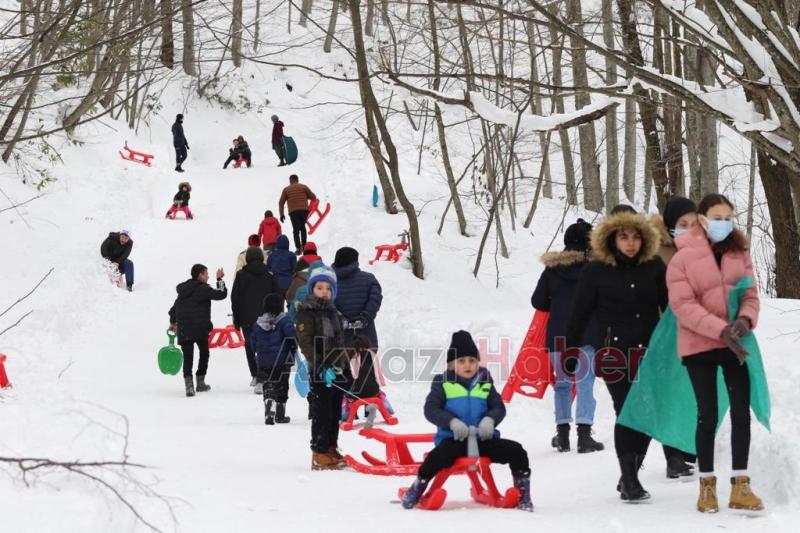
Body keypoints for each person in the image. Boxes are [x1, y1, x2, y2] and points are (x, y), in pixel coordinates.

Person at [667, 193, 763, 513]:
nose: (723, 223)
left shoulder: (740, 253)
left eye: (728, 217)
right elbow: (683, 305)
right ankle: (706, 486)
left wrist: (744, 321)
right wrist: (718, 329)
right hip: (700, 346)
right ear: (703, 219)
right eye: (717, 217)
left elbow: (750, 295)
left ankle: (741, 485)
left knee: (740, 412)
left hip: (735, 344)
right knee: (707, 414)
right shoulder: (683, 258)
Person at [566, 210, 667, 502]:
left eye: (636, 236)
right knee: (626, 412)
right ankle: (632, 480)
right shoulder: (595, 271)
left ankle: (628, 474)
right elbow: (579, 314)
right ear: (612, 238)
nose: (631, 243)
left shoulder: (654, 267)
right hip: (613, 353)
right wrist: (571, 351)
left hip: (649, 352)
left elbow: (671, 309)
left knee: (647, 415)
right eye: (624, 236)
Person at [401, 330, 533, 512]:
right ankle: (418, 487)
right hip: (455, 438)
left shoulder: (484, 381)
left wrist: (489, 419)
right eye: (461, 361)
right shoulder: (443, 382)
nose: (468, 365)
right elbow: (431, 409)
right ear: (451, 364)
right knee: (436, 458)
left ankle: (523, 494)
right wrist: (452, 422)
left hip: (483, 438)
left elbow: (498, 407)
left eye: (472, 360)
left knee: (517, 451)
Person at [531, 219, 603, 454]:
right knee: (584, 384)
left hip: (558, 337)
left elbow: (538, 301)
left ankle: (562, 436)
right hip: (586, 334)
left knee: (562, 385)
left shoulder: (552, 269)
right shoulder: (595, 269)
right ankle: (584, 437)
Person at [649, 196, 700, 477]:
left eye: (693, 222)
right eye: (682, 223)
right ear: (670, 225)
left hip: (696, 332)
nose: (688, 228)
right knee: (670, 393)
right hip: (665, 332)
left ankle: (688, 446)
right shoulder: (656, 253)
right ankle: (672, 456)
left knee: (692, 391)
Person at [296, 264, 351, 470]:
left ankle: (330, 447)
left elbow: (338, 342)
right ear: (312, 289)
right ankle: (319, 452)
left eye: (328, 289)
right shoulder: (306, 312)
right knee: (322, 412)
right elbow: (306, 343)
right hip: (319, 370)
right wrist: (319, 366)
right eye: (320, 288)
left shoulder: (333, 312)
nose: (324, 292)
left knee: (335, 410)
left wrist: (342, 365)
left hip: (335, 369)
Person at [168, 264, 227, 397]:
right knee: (204, 353)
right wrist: (219, 280)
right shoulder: (203, 289)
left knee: (188, 357)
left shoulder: (183, 291)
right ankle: (200, 382)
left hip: (184, 329)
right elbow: (221, 294)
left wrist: (173, 323)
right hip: (200, 328)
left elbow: (173, 310)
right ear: (200, 275)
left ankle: (189, 386)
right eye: (206, 274)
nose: (208, 276)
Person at [231, 247, 280, 393]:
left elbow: (235, 299)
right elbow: (278, 296)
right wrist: (277, 316)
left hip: (246, 317)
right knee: (264, 347)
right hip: (266, 317)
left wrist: (236, 319)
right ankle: (262, 377)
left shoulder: (240, 275)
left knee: (250, 346)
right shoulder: (269, 275)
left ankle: (255, 375)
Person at [251, 293, 297, 425]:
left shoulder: (259, 322)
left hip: (264, 360)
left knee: (268, 384)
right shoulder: (285, 321)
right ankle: (280, 414)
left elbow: (253, 340)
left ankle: (269, 402)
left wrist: (257, 351)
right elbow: (292, 337)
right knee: (282, 385)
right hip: (282, 361)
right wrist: (293, 348)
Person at [332, 247, 383, 350]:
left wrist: (340, 319)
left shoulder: (328, 283)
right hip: (366, 337)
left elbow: (327, 304)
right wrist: (365, 318)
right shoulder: (369, 279)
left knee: (341, 364)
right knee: (367, 363)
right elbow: (375, 299)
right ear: (355, 261)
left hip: (340, 338)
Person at [654, 196, 700, 265]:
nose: (689, 230)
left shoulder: (700, 249)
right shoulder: (657, 256)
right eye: (683, 225)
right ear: (670, 226)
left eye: (693, 224)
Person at [278, 174, 316, 255]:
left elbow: (281, 203)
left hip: (293, 211)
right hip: (304, 210)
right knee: (302, 227)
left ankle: (298, 248)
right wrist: (306, 197)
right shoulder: (303, 187)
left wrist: (281, 214)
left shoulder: (286, 189)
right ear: (297, 180)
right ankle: (305, 247)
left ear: (290, 181)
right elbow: (313, 197)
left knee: (296, 229)